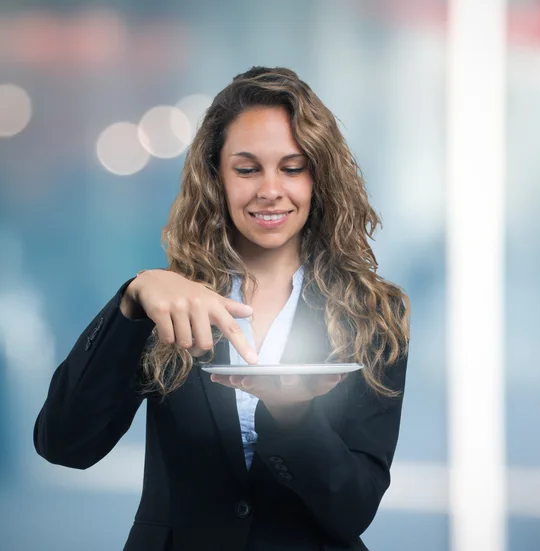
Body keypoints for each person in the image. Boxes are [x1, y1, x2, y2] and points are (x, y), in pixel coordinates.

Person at [34, 66, 410, 551]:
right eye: (247, 168)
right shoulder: (167, 302)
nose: (270, 189)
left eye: (292, 168)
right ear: (216, 176)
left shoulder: (372, 314)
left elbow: (354, 507)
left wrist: (294, 418)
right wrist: (132, 299)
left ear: (320, 178)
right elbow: (65, 444)